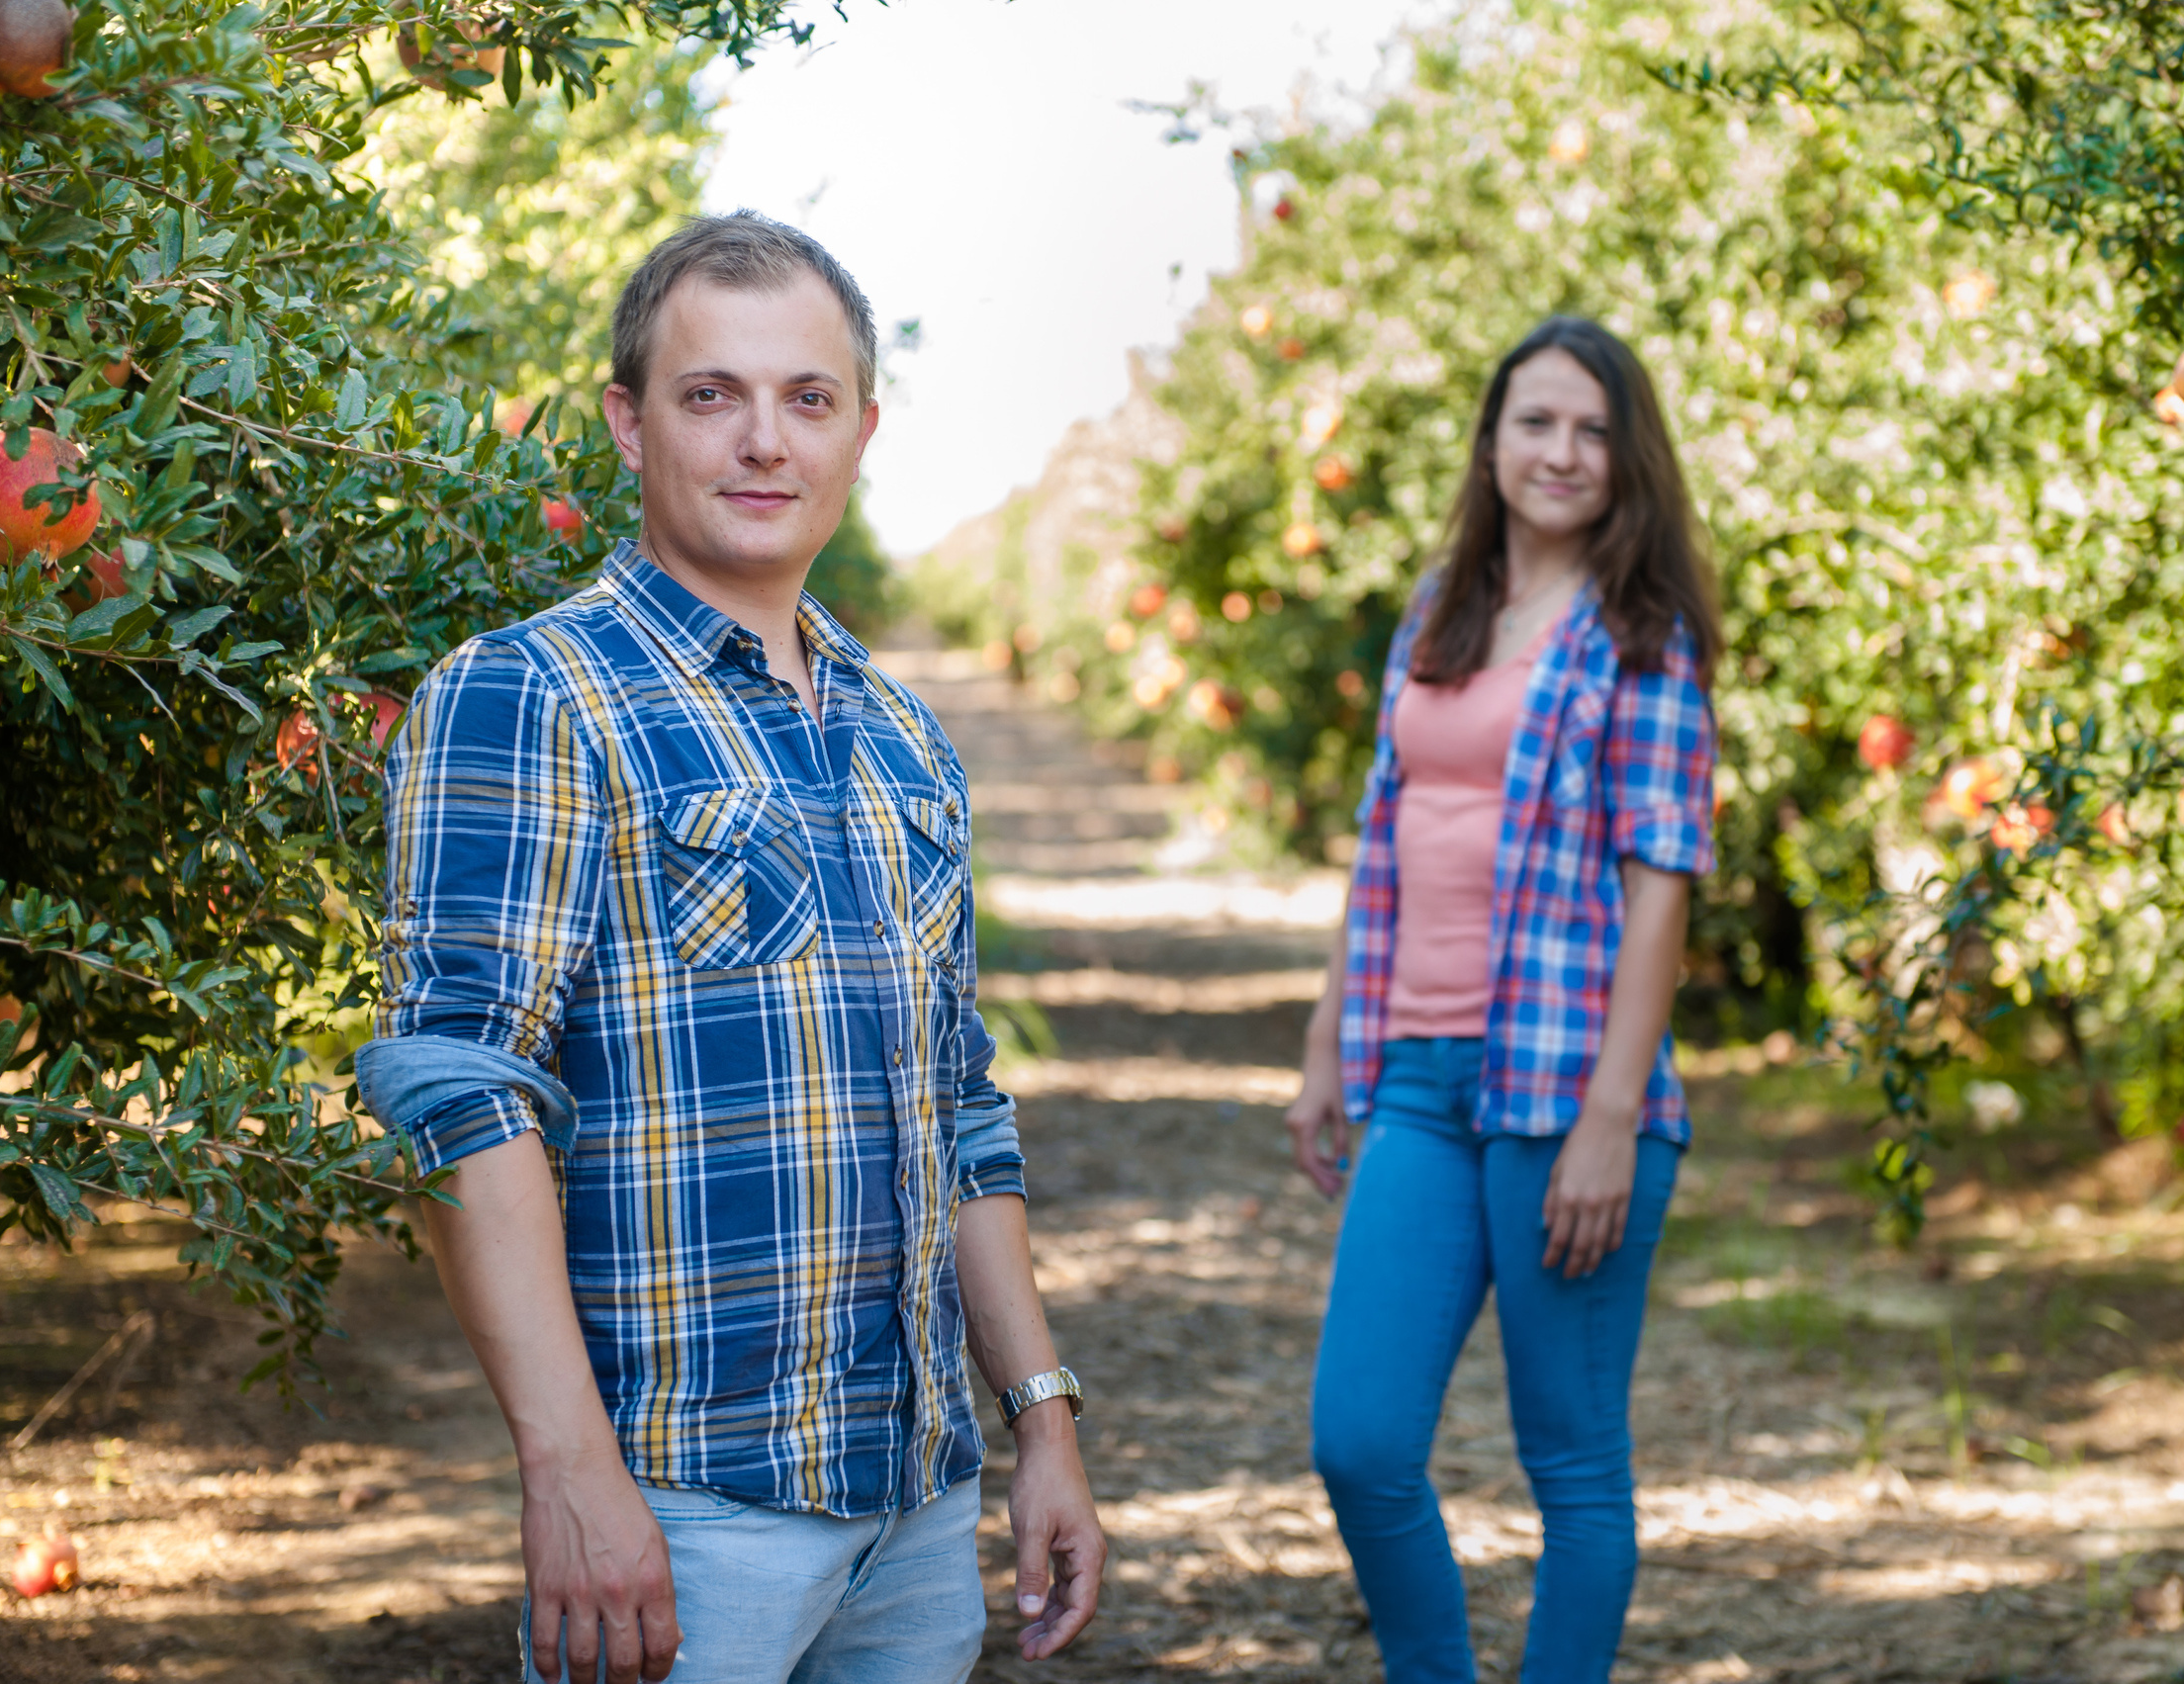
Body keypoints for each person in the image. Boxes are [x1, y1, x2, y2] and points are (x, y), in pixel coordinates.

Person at [355, 211, 1106, 1684]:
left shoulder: (901, 740)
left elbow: (961, 1110)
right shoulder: (531, 697)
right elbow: (458, 1091)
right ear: (632, 427)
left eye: (806, 399)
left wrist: (1041, 1418)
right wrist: (568, 1471)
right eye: (713, 396)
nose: (765, 440)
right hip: (683, 1513)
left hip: (914, 1505)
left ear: (860, 431)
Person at [1284, 315, 1720, 1683]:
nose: (1563, 452)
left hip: (1562, 1091)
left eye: (1594, 429)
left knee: (1571, 1467)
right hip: (1416, 1078)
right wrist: (1324, 1044)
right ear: (1492, 439)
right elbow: (1385, 831)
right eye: (1536, 421)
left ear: (1625, 454)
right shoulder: (1442, 608)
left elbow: (1665, 883)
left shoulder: (1644, 636)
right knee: (1357, 1442)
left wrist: (1610, 1117)